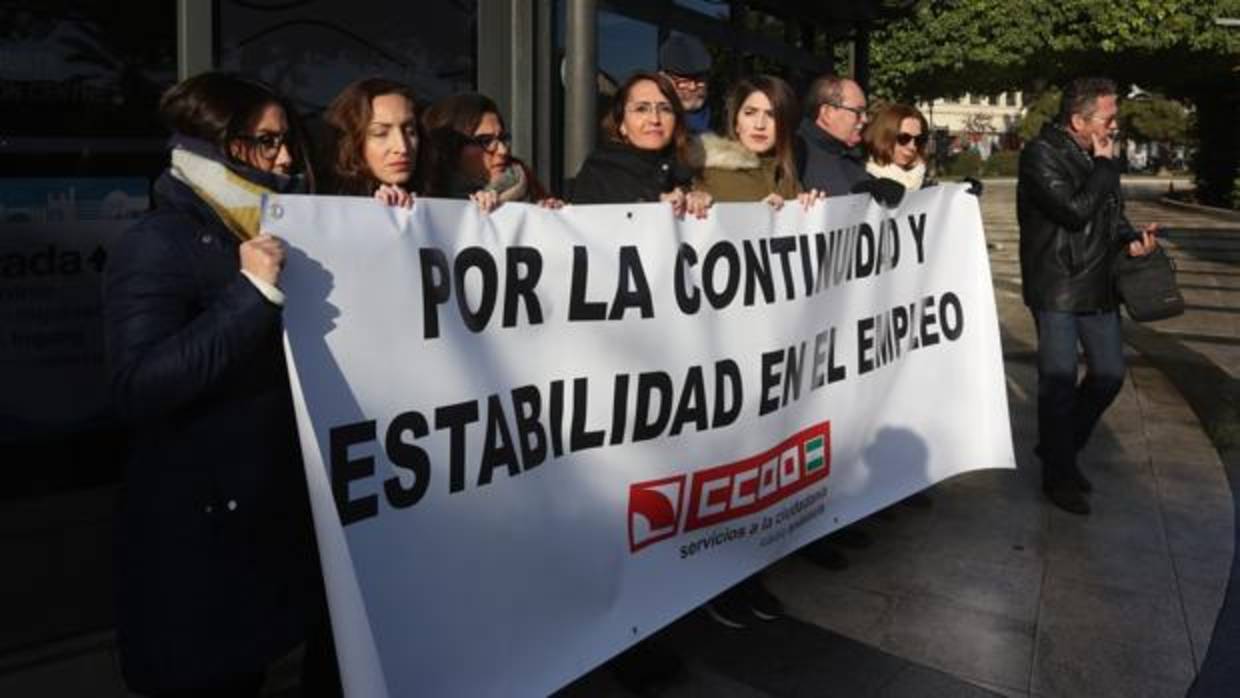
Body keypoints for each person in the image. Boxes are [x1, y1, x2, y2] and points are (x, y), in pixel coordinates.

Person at [103, 72, 338, 697]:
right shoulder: (157, 243)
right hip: (195, 546)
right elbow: (137, 385)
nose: (285, 158)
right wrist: (250, 295)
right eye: (265, 143)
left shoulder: (276, 231)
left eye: (286, 140)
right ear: (214, 146)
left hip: (262, 529)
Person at [690, 74, 820, 628]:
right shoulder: (713, 172)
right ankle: (719, 584)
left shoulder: (787, 174)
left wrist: (810, 211)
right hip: (723, 347)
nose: (760, 123)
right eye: (750, 112)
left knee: (761, 465)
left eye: (770, 114)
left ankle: (749, 574)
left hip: (773, 349)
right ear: (733, 118)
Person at [1017, 76, 1159, 516]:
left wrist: (1131, 238)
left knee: (1110, 375)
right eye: (1108, 117)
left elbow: (1107, 212)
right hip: (1058, 284)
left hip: (1099, 283)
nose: (1114, 125)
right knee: (1058, 383)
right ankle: (1058, 475)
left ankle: (1058, 449)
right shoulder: (1042, 154)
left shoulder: (1096, 155)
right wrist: (1104, 167)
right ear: (1079, 120)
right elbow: (1074, 211)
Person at [569, 71, 711, 218]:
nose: (655, 119)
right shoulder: (598, 174)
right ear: (621, 124)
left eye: (665, 109)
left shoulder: (689, 173)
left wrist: (699, 206)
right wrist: (652, 205)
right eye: (641, 109)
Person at [420, 92, 560, 208]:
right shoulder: (418, 203)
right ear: (451, 148)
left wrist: (552, 217)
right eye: (485, 141)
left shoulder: (531, 191)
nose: (503, 150)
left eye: (502, 138)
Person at [321, 77, 420, 207]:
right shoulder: (328, 203)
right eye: (380, 133)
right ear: (352, 143)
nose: (402, 147)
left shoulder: (443, 196)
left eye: (410, 132)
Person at [863, 103, 932, 191]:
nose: (912, 147)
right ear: (884, 136)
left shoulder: (924, 181)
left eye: (918, 140)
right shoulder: (863, 179)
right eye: (904, 138)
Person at [658, 32, 713, 134]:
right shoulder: (653, 127)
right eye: (683, 81)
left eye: (699, 80)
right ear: (663, 79)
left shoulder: (726, 123)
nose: (692, 87)